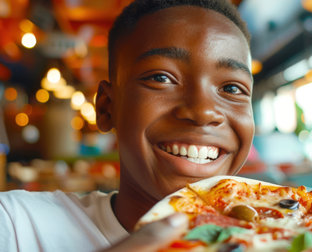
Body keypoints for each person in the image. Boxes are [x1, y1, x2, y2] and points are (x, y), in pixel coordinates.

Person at [0, 0, 254, 251]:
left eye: (232, 88)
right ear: (107, 108)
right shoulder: (17, 225)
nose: (202, 112)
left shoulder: (283, 235)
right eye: (161, 78)